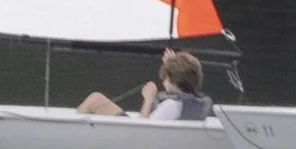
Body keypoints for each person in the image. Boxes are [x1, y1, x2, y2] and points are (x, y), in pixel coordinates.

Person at [77, 49, 213, 121]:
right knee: (96, 99)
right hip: (157, 135)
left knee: (95, 99)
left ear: (173, 79)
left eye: (165, 78)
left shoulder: (171, 105)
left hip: (134, 137)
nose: (163, 81)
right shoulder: (198, 102)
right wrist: (171, 64)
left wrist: (148, 100)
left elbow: (143, 130)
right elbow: (182, 76)